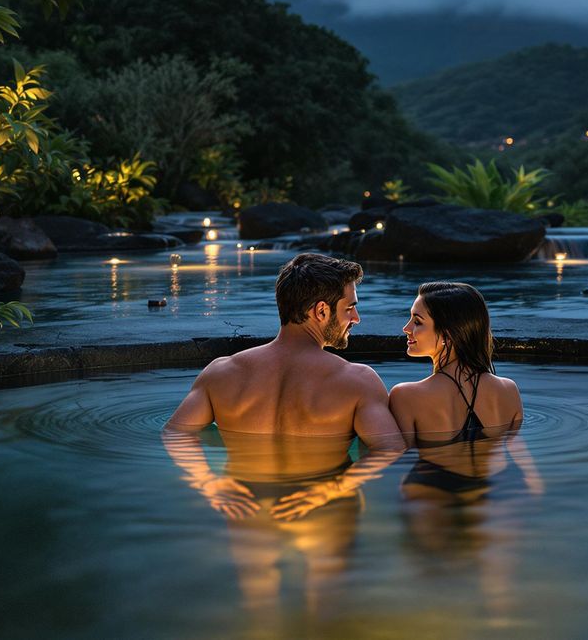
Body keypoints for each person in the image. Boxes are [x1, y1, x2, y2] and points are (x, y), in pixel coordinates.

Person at [162, 253, 404, 625]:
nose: (355, 318)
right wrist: (331, 490)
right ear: (321, 311)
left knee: (261, 605)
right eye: (350, 308)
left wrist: (208, 483)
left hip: (246, 503)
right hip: (324, 504)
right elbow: (390, 447)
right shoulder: (356, 380)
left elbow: (176, 434)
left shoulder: (222, 372)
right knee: (325, 602)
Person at [390, 281, 543, 501]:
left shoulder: (406, 395)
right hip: (501, 483)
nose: (406, 328)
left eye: (417, 321)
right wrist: (533, 479)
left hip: (431, 487)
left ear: (448, 334)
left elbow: (398, 459)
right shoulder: (508, 390)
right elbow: (516, 446)